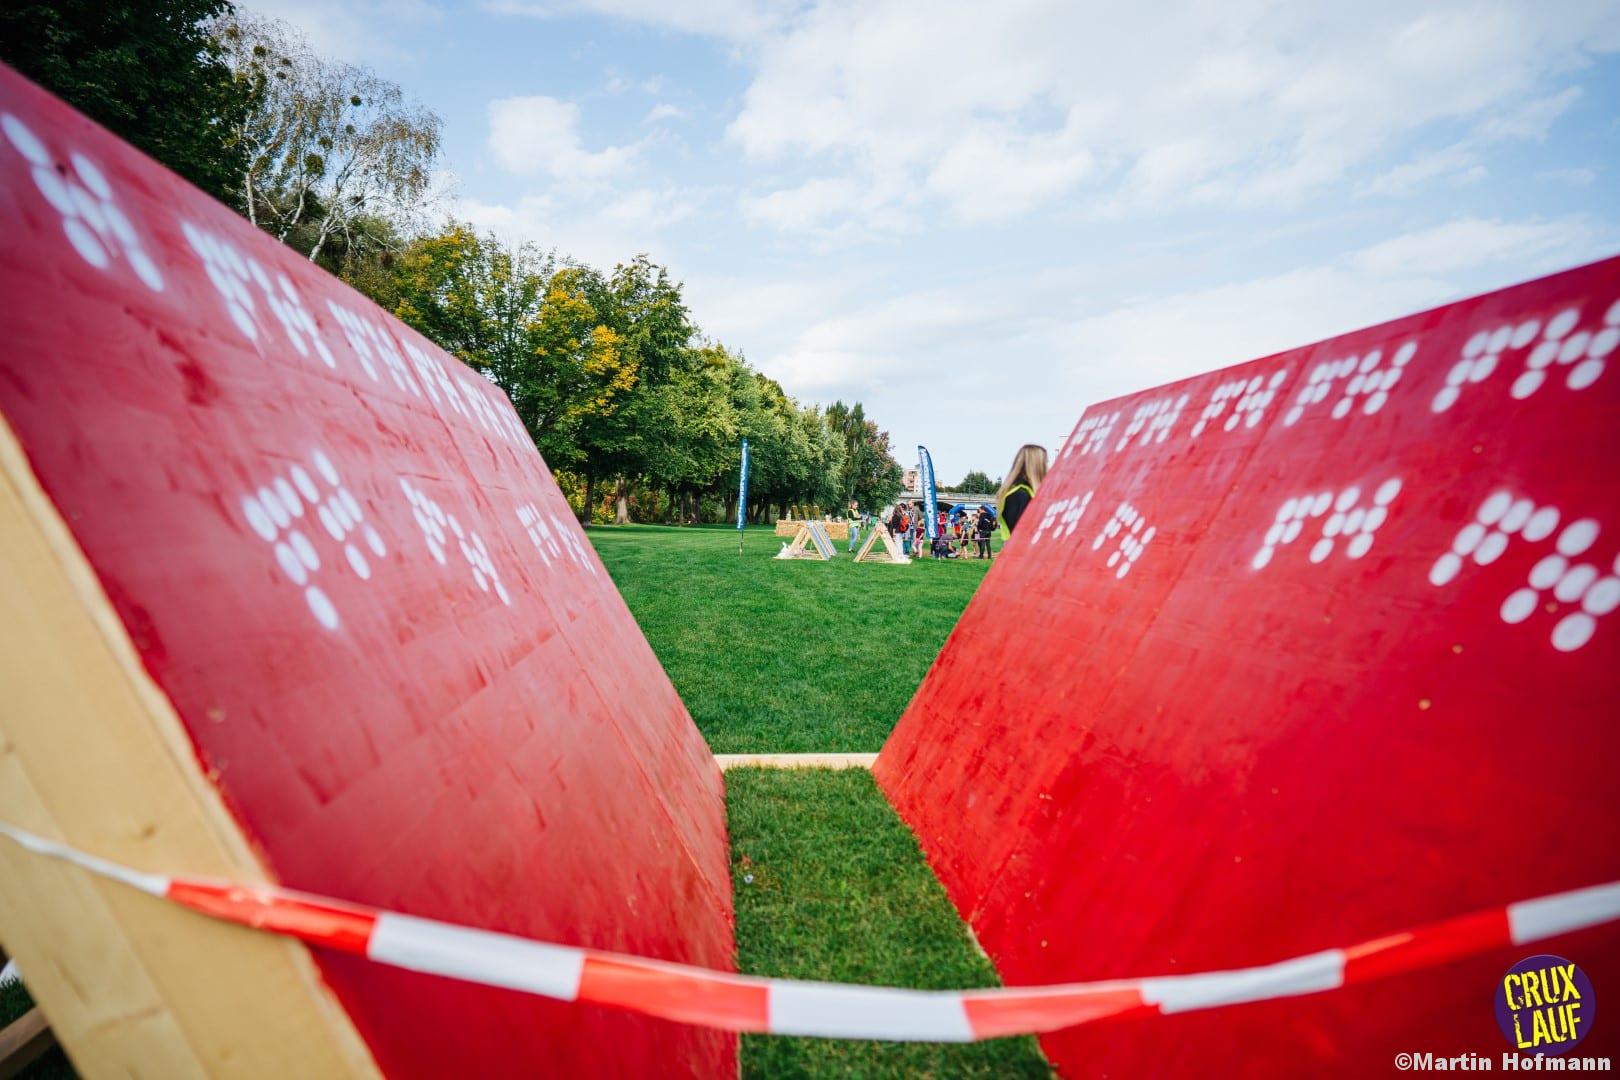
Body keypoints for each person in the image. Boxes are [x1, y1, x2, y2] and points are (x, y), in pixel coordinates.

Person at [997, 444, 1048, 540]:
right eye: (1045, 462)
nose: (1048, 466)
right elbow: (1022, 536)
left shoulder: (1025, 492)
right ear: (1037, 465)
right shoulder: (1019, 495)